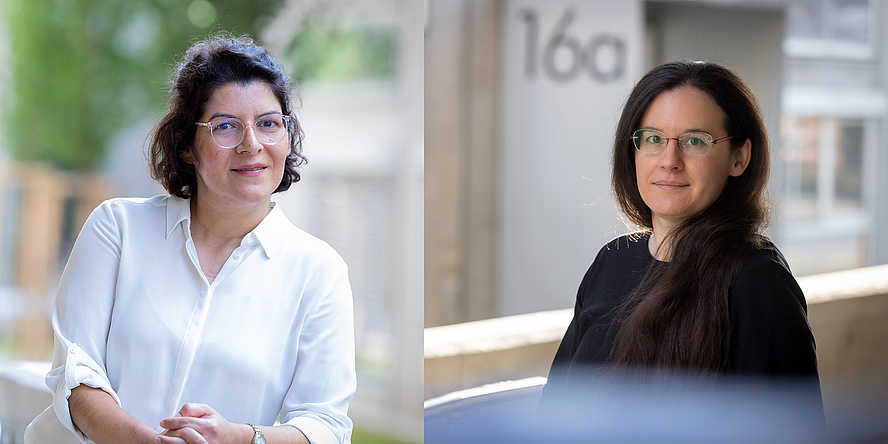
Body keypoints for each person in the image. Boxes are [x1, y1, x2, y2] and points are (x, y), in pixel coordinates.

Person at [25, 34, 355, 444]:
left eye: (269, 123)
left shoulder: (319, 273)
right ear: (186, 146)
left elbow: (326, 426)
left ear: (286, 137)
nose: (252, 144)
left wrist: (239, 437)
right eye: (225, 127)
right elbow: (74, 378)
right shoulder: (117, 228)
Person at [541, 61, 822, 424]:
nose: (669, 161)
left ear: (739, 157)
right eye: (654, 139)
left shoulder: (757, 283)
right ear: (634, 150)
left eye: (695, 141)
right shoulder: (611, 262)